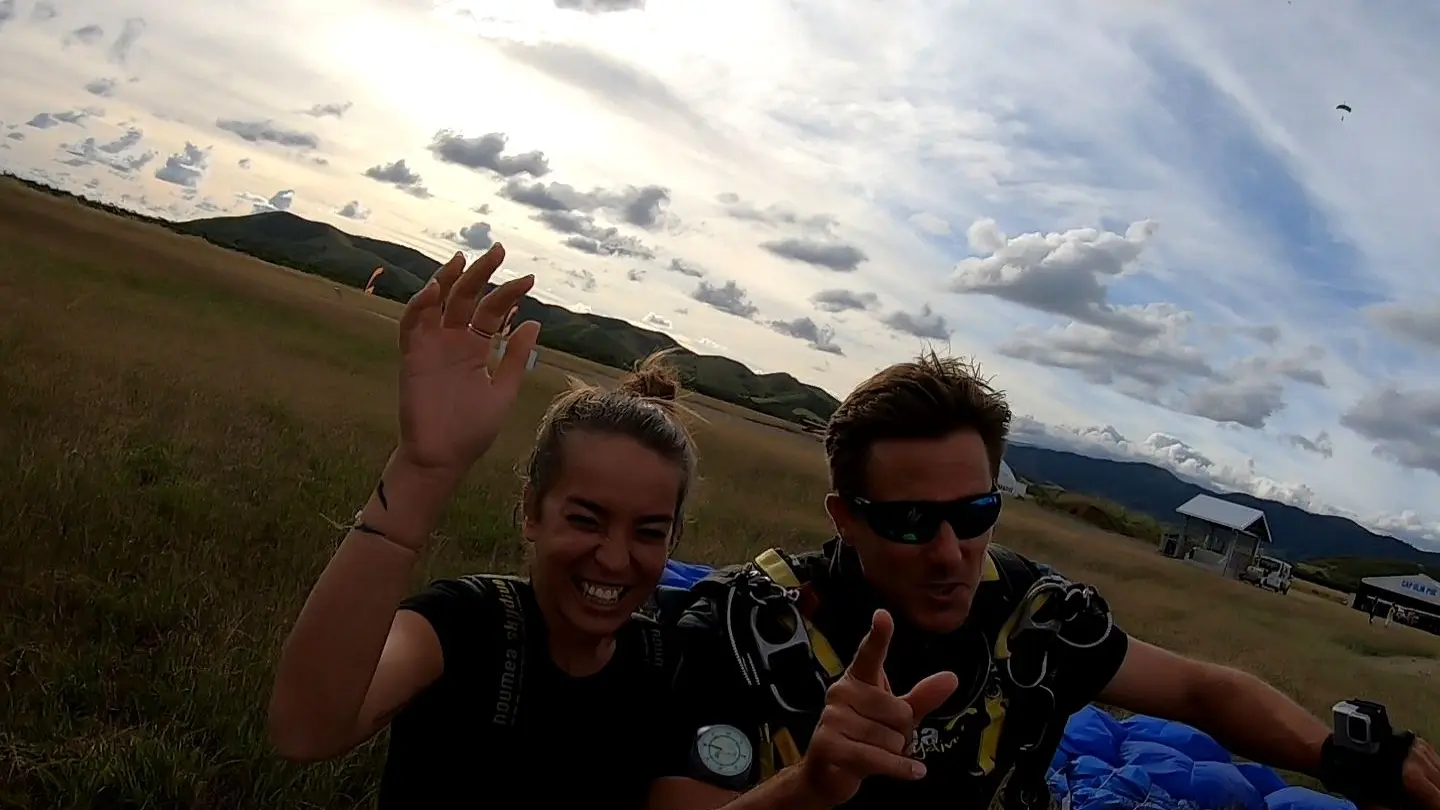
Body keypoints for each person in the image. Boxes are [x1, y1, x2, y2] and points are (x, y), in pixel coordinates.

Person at [648, 351, 1440, 810]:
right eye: (912, 521)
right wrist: (810, 788)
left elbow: (1203, 692)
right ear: (845, 516)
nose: (951, 549)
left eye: (977, 510)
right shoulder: (751, 623)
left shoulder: (1037, 616)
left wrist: (1342, 757)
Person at [267, 245, 698, 808]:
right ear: (531, 512)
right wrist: (422, 469)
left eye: (648, 531)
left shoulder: (668, 664)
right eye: (585, 519)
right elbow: (306, 729)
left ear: (675, 542)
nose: (615, 559)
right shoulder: (467, 624)